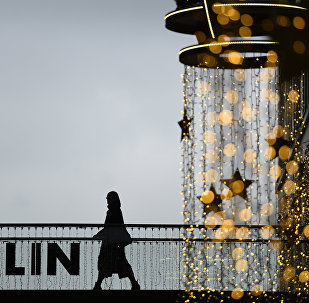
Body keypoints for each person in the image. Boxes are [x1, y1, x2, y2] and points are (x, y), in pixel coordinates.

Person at [93, 191, 140, 290]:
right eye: (107, 198)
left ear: (114, 199)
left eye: (109, 198)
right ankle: (134, 283)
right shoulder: (115, 210)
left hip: (111, 243)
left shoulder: (113, 210)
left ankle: (98, 285)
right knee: (118, 262)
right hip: (114, 242)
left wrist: (99, 235)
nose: (107, 200)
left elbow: (109, 227)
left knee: (106, 262)